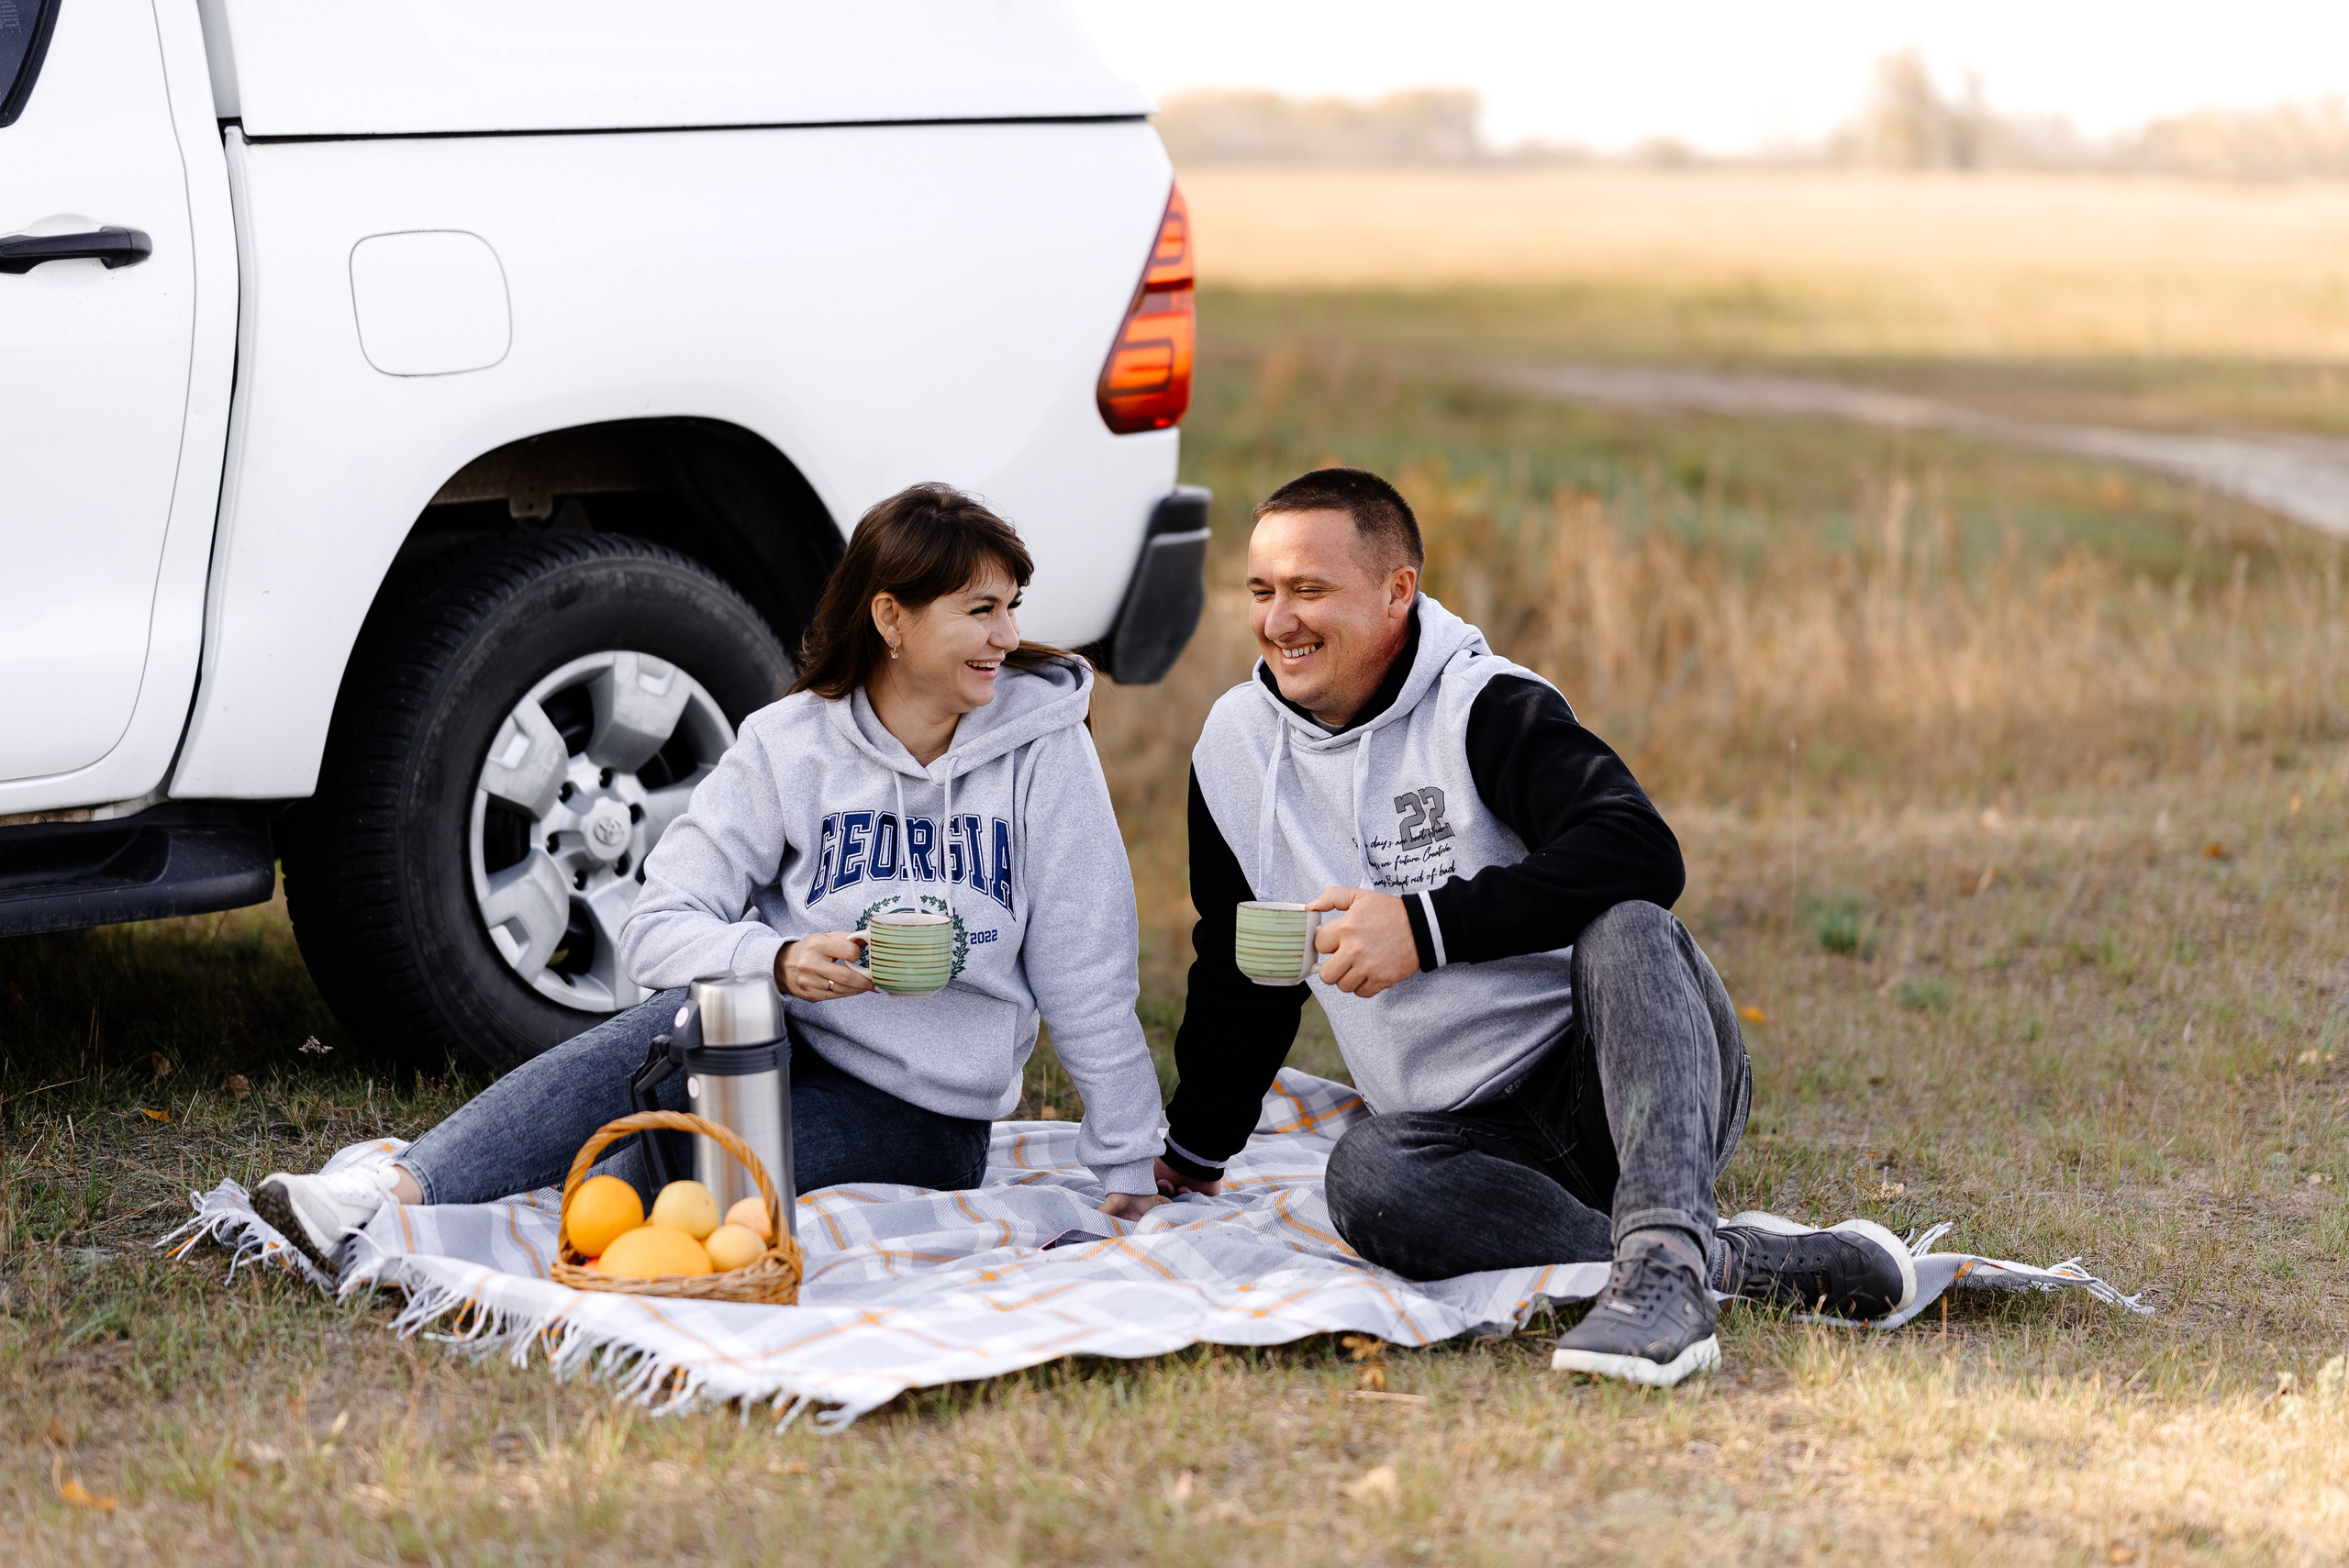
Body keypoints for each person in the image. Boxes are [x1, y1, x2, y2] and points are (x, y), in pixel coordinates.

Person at [255, 484, 1168, 1272]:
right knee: (672, 1020)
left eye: (1011, 606)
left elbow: (1085, 967)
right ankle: (383, 1187)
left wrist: (1129, 1162)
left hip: (922, 1112)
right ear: (891, 618)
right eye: (980, 610)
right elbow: (658, 927)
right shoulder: (787, 743)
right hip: (770, 1035)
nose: (1008, 635)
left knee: (640, 1178)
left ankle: (587, 1193)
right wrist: (776, 961)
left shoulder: (1043, 751)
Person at [1153, 468, 1914, 1386]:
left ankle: (1665, 1271)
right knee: (1363, 1177)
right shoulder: (1235, 749)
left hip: (1624, 1082)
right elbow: (1244, 960)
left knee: (1626, 922)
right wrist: (1195, 1145)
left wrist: (1425, 927)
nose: (1280, 620)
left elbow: (1640, 847)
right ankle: (1702, 1257)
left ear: (1400, 591)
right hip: (1469, 1148)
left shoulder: (1485, 704)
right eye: (1262, 591)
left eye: (1311, 590)